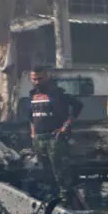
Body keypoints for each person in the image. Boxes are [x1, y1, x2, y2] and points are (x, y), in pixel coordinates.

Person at [29, 66, 83, 203]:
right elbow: (31, 116)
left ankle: (66, 203)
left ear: (46, 77)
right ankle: (50, 200)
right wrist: (33, 133)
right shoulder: (32, 94)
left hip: (55, 139)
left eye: (40, 78)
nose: (37, 82)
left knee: (61, 175)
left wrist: (66, 126)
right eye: (34, 79)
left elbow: (78, 105)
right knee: (45, 173)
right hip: (39, 140)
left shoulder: (57, 93)